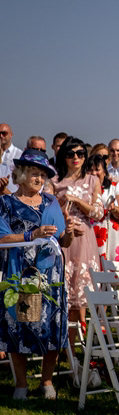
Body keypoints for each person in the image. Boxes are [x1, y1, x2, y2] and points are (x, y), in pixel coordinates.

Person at [0, 148, 75, 399]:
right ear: (21, 174)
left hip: (50, 274)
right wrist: (31, 235)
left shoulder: (51, 203)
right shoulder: (6, 203)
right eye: (35, 173)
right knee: (18, 325)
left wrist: (70, 231)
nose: (39, 179)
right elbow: (1, 238)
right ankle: (21, 384)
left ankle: (47, 381)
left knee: (51, 324)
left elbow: (63, 242)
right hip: (20, 273)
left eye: (43, 175)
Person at [49, 136, 103, 338]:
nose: (76, 158)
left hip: (85, 241)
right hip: (63, 239)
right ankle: (61, 343)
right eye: (70, 153)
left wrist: (77, 201)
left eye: (80, 153)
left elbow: (98, 213)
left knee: (80, 295)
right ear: (63, 156)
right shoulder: (54, 182)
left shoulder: (92, 180)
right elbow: (47, 213)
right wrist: (64, 218)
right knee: (61, 292)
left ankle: (74, 344)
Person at [86, 154, 119, 262]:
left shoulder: (114, 185)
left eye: (97, 170)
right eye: (90, 170)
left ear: (104, 171)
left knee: (110, 266)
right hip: (89, 230)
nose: (94, 173)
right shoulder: (83, 188)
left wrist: (114, 209)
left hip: (109, 232)